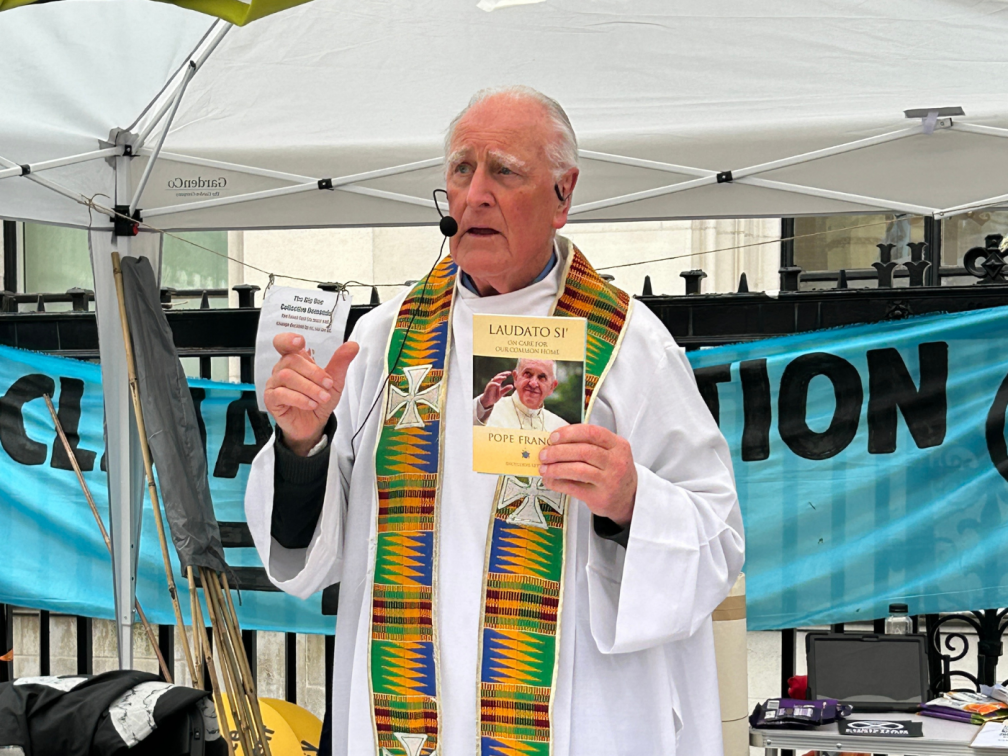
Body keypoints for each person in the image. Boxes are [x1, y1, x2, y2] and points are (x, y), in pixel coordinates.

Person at [246, 85, 744, 756]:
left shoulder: (631, 347)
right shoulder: (386, 341)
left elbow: (716, 541)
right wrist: (303, 444)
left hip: (578, 716)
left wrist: (630, 502)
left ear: (564, 195)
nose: (475, 193)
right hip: (408, 717)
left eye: (504, 171)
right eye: (460, 170)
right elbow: (311, 556)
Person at [474, 358, 568, 431]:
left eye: (542, 377)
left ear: (552, 387)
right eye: (528, 374)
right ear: (516, 378)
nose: (533, 383)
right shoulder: (484, 409)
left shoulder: (561, 427)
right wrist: (484, 406)